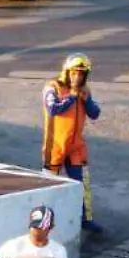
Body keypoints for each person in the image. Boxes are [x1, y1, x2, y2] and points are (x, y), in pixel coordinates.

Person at [43, 53, 103, 234]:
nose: (77, 77)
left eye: (81, 74)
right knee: (49, 184)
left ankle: (86, 219)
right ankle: (45, 219)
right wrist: (71, 98)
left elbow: (95, 113)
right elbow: (52, 109)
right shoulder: (52, 86)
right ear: (67, 72)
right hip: (55, 145)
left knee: (82, 184)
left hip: (76, 146)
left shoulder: (85, 90)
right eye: (74, 73)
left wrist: (85, 100)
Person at [0, 205, 68, 258]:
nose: (36, 230)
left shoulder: (58, 252)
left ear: (51, 228)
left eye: (41, 227)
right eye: (35, 226)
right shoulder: (12, 247)